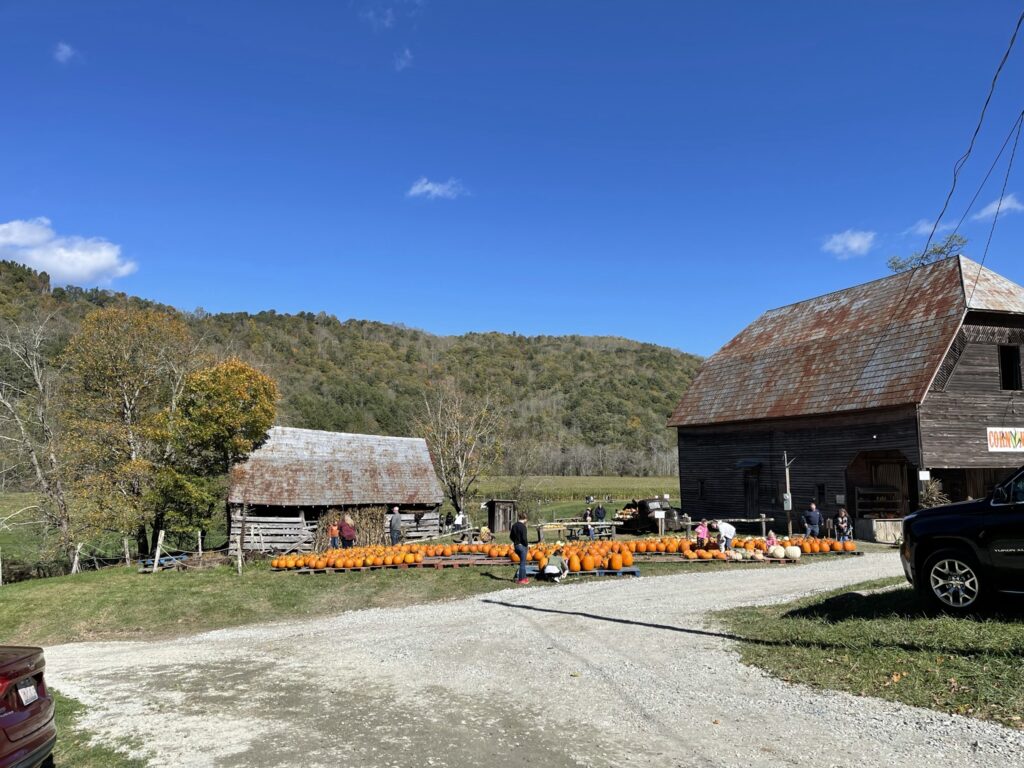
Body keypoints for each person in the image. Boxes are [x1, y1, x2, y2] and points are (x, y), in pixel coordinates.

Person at [510, 510, 530, 584]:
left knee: (522, 562)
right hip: (522, 547)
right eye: (526, 519)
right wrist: (526, 544)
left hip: (516, 546)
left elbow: (511, 536)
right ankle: (521, 579)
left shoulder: (514, 525)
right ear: (525, 518)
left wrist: (515, 542)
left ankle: (524, 577)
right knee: (522, 563)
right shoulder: (523, 527)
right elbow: (524, 538)